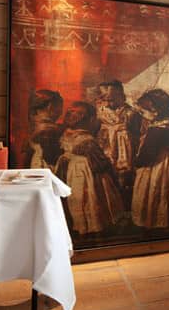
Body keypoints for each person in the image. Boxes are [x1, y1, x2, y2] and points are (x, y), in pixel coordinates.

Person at [54, 101, 125, 236]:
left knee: (79, 198)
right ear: (90, 120)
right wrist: (112, 172)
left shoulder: (67, 134)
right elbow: (100, 163)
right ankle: (94, 226)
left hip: (72, 171)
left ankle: (82, 226)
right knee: (92, 198)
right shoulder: (87, 140)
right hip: (87, 172)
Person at [132, 88, 169, 231]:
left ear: (155, 110)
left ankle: (152, 224)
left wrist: (137, 163)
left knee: (152, 192)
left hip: (156, 165)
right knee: (164, 192)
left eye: (144, 111)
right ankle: (163, 222)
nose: (142, 115)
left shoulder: (158, 129)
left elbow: (148, 154)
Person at [96, 80, 142, 201]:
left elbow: (137, 133)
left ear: (122, 96)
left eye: (112, 99)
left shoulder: (131, 113)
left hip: (125, 147)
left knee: (124, 174)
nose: (109, 103)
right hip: (106, 144)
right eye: (106, 99)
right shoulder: (100, 112)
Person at [22, 89, 64, 170]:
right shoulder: (50, 131)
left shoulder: (34, 126)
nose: (61, 112)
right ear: (50, 106)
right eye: (60, 107)